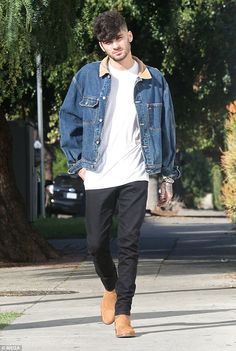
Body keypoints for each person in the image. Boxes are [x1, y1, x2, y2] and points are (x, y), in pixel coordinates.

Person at [59, 10, 180, 338]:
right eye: (107, 41)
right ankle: (111, 287)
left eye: (119, 37)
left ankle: (124, 312)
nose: (115, 45)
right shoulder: (86, 76)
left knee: (129, 242)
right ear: (102, 45)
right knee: (96, 243)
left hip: (135, 172)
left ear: (129, 35)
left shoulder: (153, 79)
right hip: (97, 173)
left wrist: (167, 177)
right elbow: (67, 118)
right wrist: (79, 166)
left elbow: (167, 129)